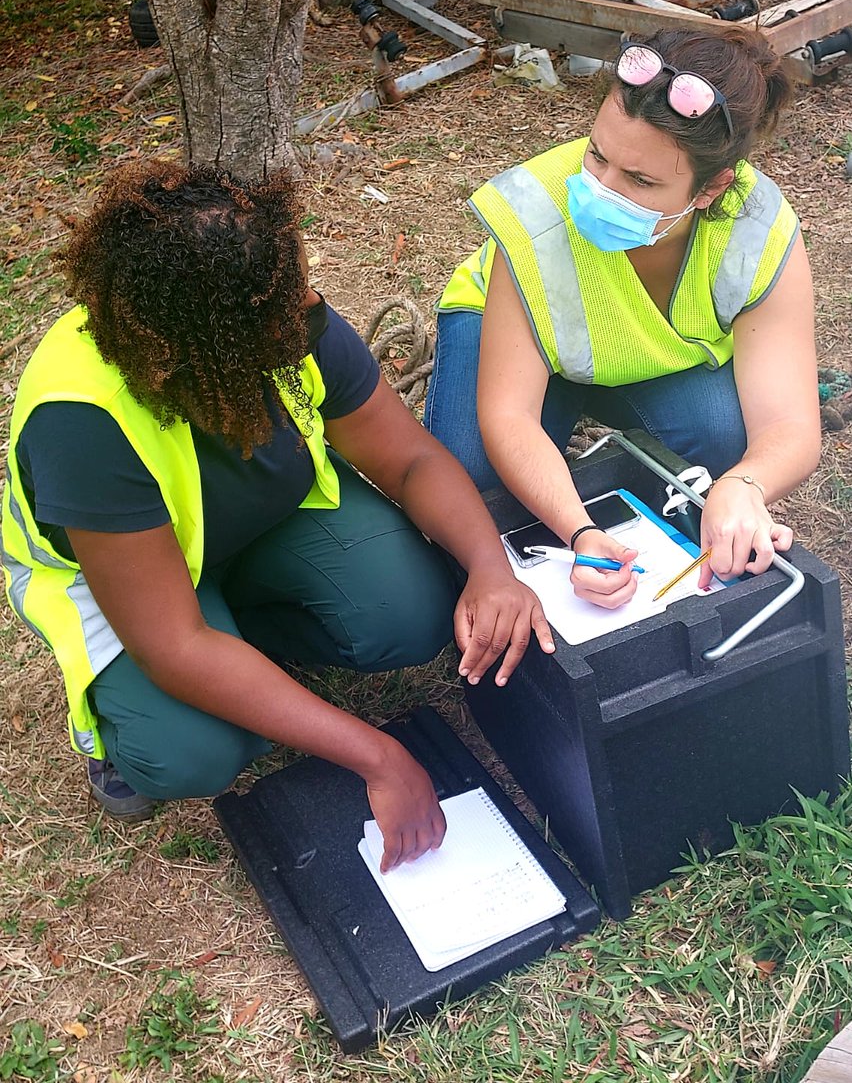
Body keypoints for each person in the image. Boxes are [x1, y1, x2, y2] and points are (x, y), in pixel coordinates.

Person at [1, 161, 554, 871]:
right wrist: (378, 756)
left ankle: (243, 646)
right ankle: (129, 734)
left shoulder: (287, 310)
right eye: (283, 309)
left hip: (255, 532)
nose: (310, 309)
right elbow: (173, 643)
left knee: (410, 610)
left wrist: (490, 568)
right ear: (207, 344)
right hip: (135, 592)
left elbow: (409, 459)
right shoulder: (84, 422)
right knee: (194, 751)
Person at [425, 27, 820, 610]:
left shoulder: (760, 232)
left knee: (724, 443)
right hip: (521, 338)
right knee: (473, 476)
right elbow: (507, 416)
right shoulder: (538, 214)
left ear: (712, 188)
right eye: (596, 155)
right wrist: (580, 532)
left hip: (646, 358)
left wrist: (745, 485)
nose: (600, 191)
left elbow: (789, 425)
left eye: (639, 180)